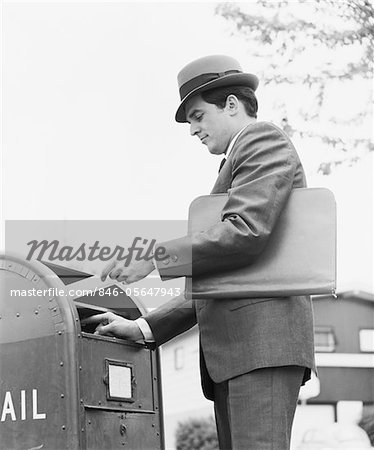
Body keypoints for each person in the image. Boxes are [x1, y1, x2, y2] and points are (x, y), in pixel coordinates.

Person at [85, 55, 315, 450]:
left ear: (230, 104)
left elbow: (245, 232)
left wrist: (154, 259)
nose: (192, 129)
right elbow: (222, 280)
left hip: (261, 347)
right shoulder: (236, 162)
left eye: (197, 116)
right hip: (242, 354)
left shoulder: (262, 140)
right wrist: (144, 328)